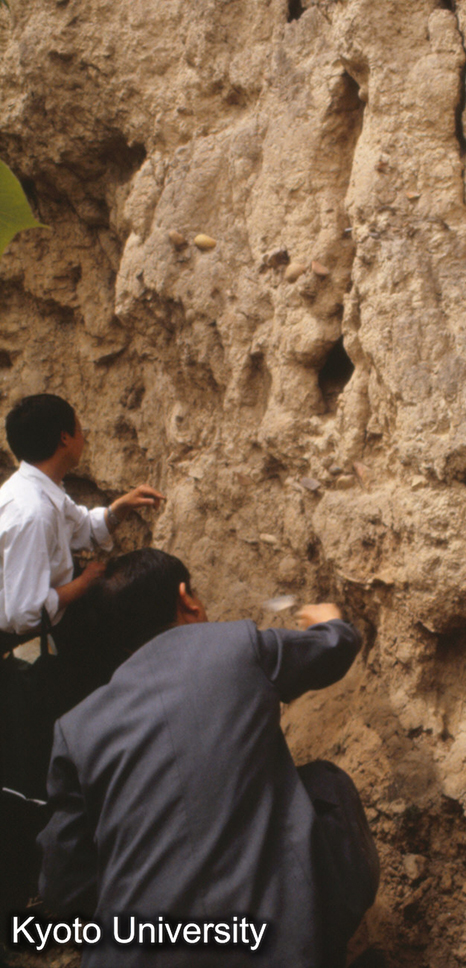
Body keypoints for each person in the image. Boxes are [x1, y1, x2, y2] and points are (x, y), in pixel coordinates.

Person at [36, 549, 381, 968]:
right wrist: (332, 621)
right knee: (324, 787)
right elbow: (334, 648)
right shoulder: (235, 646)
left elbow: (62, 885)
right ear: (187, 599)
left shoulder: (77, 728)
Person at [0, 393, 165, 641]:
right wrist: (84, 583)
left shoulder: (41, 487)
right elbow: (26, 615)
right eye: (80, 428)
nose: (84, 437)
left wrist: (122, 506)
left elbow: (84, 529)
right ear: (64, 438)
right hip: (30, 638)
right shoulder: (32, 513)